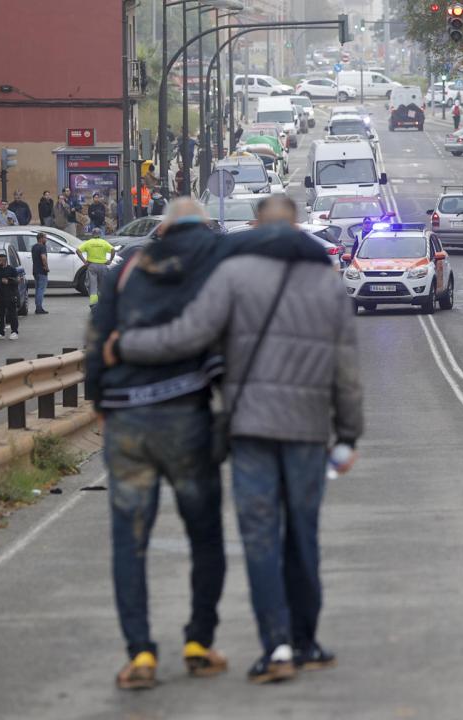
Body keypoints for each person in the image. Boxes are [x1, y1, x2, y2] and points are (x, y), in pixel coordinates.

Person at [99, 197, 361, 688]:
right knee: (299, 534)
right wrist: (348, 434)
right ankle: (292, 642)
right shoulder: (326, 281)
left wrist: (124, 352)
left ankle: (270, 647)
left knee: (256, 537)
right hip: (302, 429)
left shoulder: (228, 276)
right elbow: (346, 368)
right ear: (295, 227)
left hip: (245, 427)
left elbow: (187, 335)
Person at [77, 232, 116, 306]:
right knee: (103, 286)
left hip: (92, 266)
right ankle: (102, 304)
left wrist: (84, 261)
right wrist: (110, 260)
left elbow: (78, 251)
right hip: (103, 266)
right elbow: (113, 250)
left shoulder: (88, 242)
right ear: (100, 234)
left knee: (93, 286)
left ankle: (93, 304)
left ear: (92, 234)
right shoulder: (104, 242)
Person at [0, 253, 20, 340]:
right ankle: (0, 332)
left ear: (4, 261)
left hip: (10, 295)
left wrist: (8, 282)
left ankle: (14, 332)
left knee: (12, 314)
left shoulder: (11, 270)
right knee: (0, 314)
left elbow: (17, 281)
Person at [32, 234, 50, 314]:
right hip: (41, 271)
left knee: (37, 289)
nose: (46, 239)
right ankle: (39, 308)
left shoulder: (34, 247)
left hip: (35, 270)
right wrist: (46, 267)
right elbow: (43, 257)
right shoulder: (42, 247)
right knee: (41, 290)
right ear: (41, 238)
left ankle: (37, 307)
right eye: (45, 238)